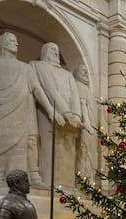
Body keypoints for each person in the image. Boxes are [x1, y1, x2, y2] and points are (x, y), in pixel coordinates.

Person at [0, 32, 49, 194]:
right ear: (2, 43)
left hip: (22, 113)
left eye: (16, 41)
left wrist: (50, 109)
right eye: (11, 41)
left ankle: (16, 183)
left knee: (19, 148)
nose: (16, 43)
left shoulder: (26, 67)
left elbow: (37, 90)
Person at [31, 42, 83, 186]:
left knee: (68, 152)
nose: (55, 52)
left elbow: (75, 95)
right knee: (50, 149)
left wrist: (77, 116)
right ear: (45, 52)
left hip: (70, 119)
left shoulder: (67, 74)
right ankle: (49, 184)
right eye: (52, 49)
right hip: (50, 114)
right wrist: (67, 113)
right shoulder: (40, 66)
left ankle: (67, 187)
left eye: (57, 50)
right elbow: (49, 89)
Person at [74, 64, 98, 178]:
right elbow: (82, 105)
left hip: (91, 126)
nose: (85, 74)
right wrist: (87, 124)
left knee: (89, 153)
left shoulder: (86, 88)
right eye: (83, 72)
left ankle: (88, 180)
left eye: (86, 72)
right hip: (86, 126)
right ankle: (83, 180)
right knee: (84, 151)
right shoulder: (80, 86)